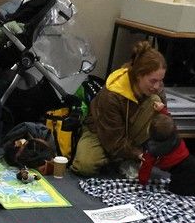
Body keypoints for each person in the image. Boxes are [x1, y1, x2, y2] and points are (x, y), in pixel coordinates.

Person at [71, 41, 167, 178]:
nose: (157, 86)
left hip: (131, 133)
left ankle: (125, 156)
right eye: (153, 81)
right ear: (139, 75)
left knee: (156, 103)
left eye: (161, 80)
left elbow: (164, 122)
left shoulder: (156, 90)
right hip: (101, 131)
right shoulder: (112, 95)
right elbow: (114, 140)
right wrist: (139, 154)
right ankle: (122, 158)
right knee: (84, 166)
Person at [137, 111, 195, 196]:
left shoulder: (152, 151)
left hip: (181, 171)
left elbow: (145, 167)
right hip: (191, 161)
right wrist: (162, 109)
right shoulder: (173, 132)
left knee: (175, 188)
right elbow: (168, 119)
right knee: (192, 176)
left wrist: (142, 181)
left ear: (150, 133)